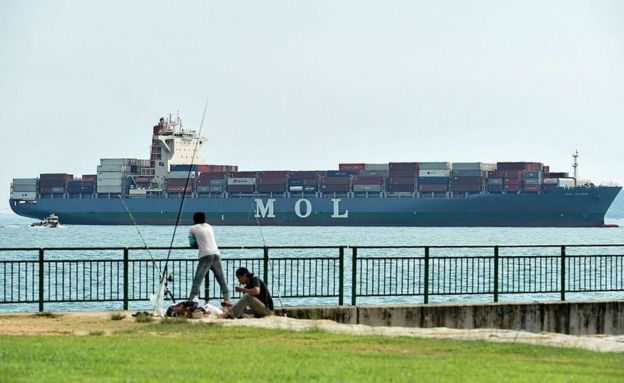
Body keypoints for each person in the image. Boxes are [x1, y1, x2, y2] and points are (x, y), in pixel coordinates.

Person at [188, 211, 231, 305]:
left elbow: (192, 244)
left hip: (205, 256)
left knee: (197, 281)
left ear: (194, 220)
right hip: (216, 254)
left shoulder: (192, 228)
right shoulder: (209, 226)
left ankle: (191, 303)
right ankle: (228, 301)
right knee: (222, 280)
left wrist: (198, 243)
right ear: (204, 219)